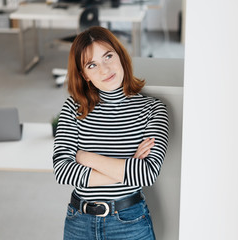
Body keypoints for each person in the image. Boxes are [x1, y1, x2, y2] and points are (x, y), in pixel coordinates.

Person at [52, 26, 169, 240]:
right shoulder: (73, 107)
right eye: (92, 65)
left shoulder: (152, 109)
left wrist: (85, 157)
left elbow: (147, 173)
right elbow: (62, 170)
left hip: (130, 222)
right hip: (79, 222)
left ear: (120, 55)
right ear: (84, 75)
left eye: (108, 56)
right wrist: (127, 167)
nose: (104, 70)